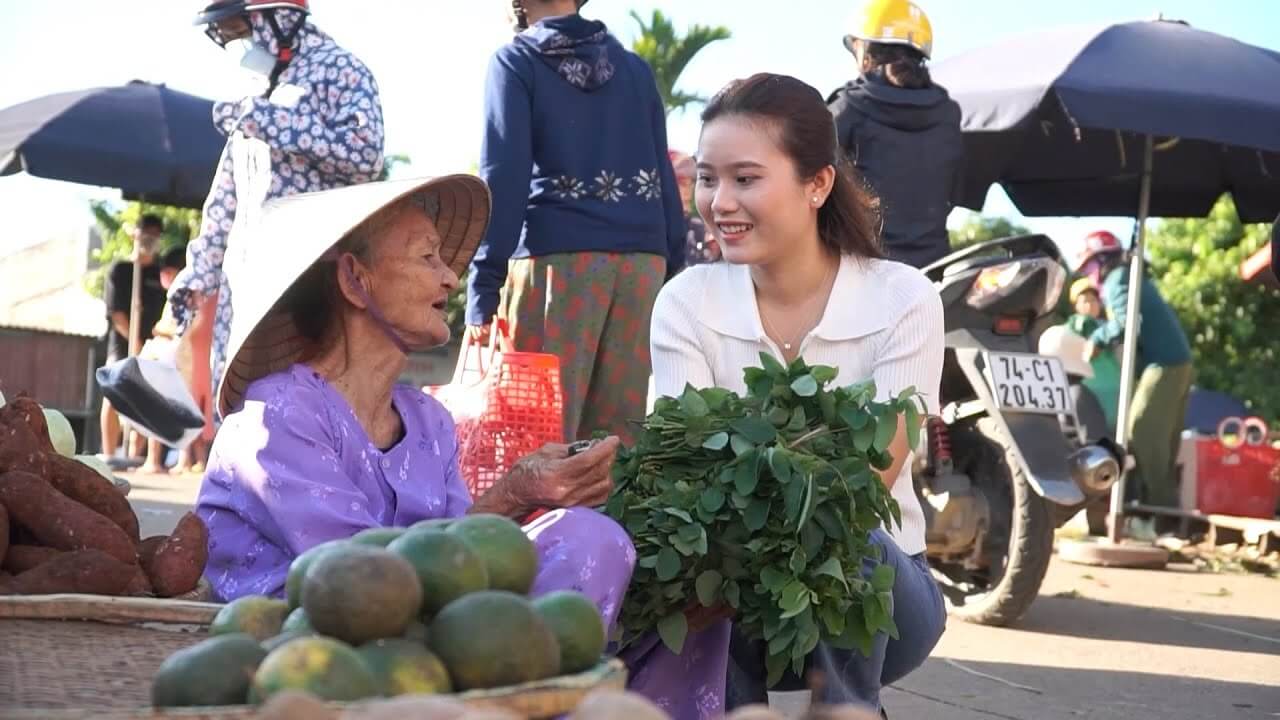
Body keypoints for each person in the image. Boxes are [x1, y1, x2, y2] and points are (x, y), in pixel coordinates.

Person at [195, 176, 720, 713]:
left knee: (625, 553)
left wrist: (530, 495)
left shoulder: (427, 419)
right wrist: (513, 496)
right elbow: (365, 582)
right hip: (320, 662)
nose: (450, 278)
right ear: (355, 279)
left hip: (428, 654)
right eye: (428, 257)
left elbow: (456, 570)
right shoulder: (276, 414)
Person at [645, 73, 946, 716]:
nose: (719, 201)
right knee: (687, 571)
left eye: (746, 178)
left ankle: (844, 709)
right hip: (731, 587)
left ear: (817, 184)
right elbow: (679, 475)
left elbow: (869, 479)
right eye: (707, 177)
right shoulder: (685, 302)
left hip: (882, 592)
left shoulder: (904, 299)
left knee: (846, 539)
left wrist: (743, 476)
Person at [466, 0, 686, 444]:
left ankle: (539, 518)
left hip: (558, 266)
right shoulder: (635, 70)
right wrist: (672, 268)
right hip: (642, 266)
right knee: (614, 448)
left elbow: (503, 177)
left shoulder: (516, 60)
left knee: (535, 437)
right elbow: (664, 180)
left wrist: (484, 284)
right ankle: (604, 518)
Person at [169, 0, 384, 438]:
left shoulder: (339, 70)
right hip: (245, 285)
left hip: (310, 283)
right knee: (243, 417)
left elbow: (367, 154)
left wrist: (271, 122)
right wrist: (198, 276)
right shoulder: (258, 92)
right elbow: (226, 197)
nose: (234, 42)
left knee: (306, 419)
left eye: (237, 28)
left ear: (277, 19)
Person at [827, 0, 962, 269]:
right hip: (934, 270)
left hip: (860, 267)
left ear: (864, 52)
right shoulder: (949, 114)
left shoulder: (846, 108)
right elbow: (956, 191)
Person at [1075, 230, 1193, 508]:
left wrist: (1097, 338)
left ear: (1103, 260)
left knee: (1140, 428)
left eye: (1089, 267)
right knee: (1162, 439)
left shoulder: (1118, 280)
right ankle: (1162, 510)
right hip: (1178, 362)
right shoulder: (1129, 277)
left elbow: (1130, 323)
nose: (1089, 275)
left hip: (1164, 364)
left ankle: (1160, 509)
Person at [99, 214, 168, 468]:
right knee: (113, 394)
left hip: (153, 349)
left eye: (155, 234)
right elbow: (116, 313)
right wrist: (134, 342)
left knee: (145, 399)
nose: (151, 239)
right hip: (122, 346)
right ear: (134, 234)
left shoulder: (159, 274)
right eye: (146, 232)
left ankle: (136, 455)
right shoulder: (121, 270)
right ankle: (109, 454)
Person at [1064, 278, 1121, 434]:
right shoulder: (1075, 325)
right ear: (1075, 306)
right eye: (1084, 300)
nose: (1090, 304)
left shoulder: (1107, 327)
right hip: (1092, 393)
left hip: (1115, 392)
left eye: (1093, 300)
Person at [670, 150, 720, 267]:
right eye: (681, 183)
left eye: (691, 183)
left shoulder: (698, 226)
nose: (688, 191)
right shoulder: (662, 229)